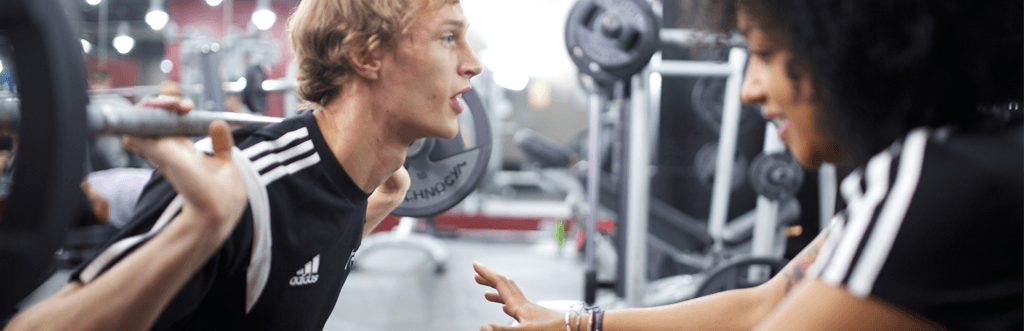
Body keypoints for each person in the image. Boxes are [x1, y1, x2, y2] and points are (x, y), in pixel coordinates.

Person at [473, 0, 1022, 330]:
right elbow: (767, 303)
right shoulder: (964, 158)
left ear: (848, 48)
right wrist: (576, 324)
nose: (749, 90)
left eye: (762, 53)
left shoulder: (938, 184)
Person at [5, 0, 480, 329]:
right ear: (364, 55)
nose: (473, 62)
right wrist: (204, 225)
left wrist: (380, 200)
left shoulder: (353, 181)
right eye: (448, 37)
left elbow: (299, 249)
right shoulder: (243, 182)